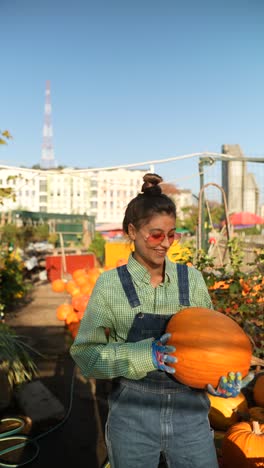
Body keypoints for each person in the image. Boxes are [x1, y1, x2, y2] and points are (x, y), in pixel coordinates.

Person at [70, 173, 244, 468]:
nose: (165, 244)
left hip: (191, 421)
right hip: (131, 421)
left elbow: (213, 348)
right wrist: (145, 355)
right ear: (132, 231)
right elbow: (86, 355)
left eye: (172, 234)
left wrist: (218, 381)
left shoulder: (193, 281)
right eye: (155, 234)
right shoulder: (110, 286)